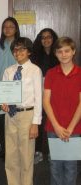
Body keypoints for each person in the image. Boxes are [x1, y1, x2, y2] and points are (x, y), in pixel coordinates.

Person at [1, 37, 42, 185]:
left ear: (29, 51)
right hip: (10, 115)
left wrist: (35, 123)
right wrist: (3, 103)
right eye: (15, 49)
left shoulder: (35, 70)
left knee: (26, 156)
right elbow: (4, 93)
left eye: (22, 49)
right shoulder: (8, 71)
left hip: (27, 115)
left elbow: (39, 98)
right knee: (11, 155)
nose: (18, 52)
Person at [43, 37, 81, 185]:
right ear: (55, 54)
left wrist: (70, 128)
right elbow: (46, 101)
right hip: (53, 127)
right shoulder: (51, 73)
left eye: (67, 51)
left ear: (73, 52)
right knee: (55, 165)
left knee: (71, 167)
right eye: (60, 51)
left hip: (75, 128)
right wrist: (57, 127)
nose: (63, 54)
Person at [0, 17, 20, 160]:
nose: (7, 29)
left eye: (11, 27)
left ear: (16, 29)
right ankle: (4, 148)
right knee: (1, 122)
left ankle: (14, 150)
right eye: (5, 27)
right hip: (0, 90)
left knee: (15, 120)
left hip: (16, 89)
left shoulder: (20, 47)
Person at [31, 28, 59, 164]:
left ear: (53, 39)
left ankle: (52, 151)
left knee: (54, 122)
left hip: (56, 95)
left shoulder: (59, 55)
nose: (46, 40)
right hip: (39, 94)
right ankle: (38, 151)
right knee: (39, 123)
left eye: (49, 37)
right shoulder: (35, 56)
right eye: (43, 37)